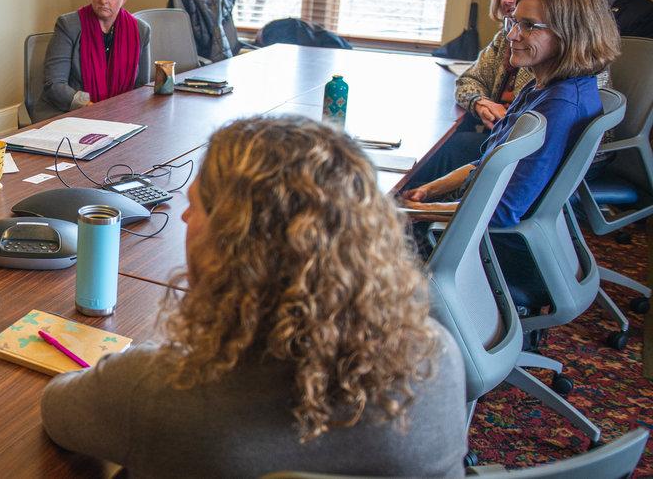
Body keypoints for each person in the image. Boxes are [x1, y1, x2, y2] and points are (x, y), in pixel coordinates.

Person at [41, 116, 466, 478]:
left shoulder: (160, 390)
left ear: (234, 241)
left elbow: (58, 410)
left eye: (195, 205)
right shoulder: (439, 358)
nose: (185, 217)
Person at [402, 0, 620, 306]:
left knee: (355, 243)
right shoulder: (549, 88)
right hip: (508, 239)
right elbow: (488, 164)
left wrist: (417, 212)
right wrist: (429, 191)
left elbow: (500, 213)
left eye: (529, 26)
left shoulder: (557, 110)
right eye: (514, 21)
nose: (512, 34)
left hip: (498, 252)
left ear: (570, 33)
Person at [408, 0, 557, 187]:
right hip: (502, 136)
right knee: (447, 140)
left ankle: (407, 207)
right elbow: (467, 81)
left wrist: (506, 119)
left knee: (446, 148)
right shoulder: (503, 40)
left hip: (523, 149)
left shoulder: (545, 48)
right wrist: (480, 102)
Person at [35, 0, 151, 121]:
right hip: (71, 115)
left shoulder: (141, 31)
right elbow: (55, 85)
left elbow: (141, 88)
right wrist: (95, 109)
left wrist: (115, 114)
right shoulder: (68, 26)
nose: (103, 0)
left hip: (121, 118)